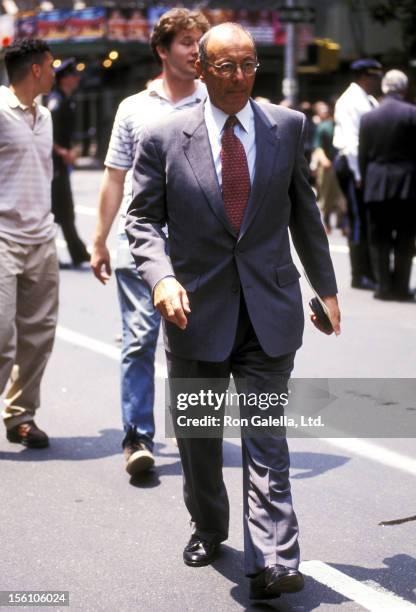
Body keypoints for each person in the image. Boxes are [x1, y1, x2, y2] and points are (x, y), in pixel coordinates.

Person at [126, 23, 340, 599]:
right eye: (227, 66)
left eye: (249, 65)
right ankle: (208, 524)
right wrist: (161, 277)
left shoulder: (287, 127)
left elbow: (305, 212)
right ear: (200, 68)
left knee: (266, 434)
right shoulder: (164, 135)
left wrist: (326, 286)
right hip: (194, 310)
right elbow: (141, 220)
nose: (241, 77)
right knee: (199, 436)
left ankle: (274, 557)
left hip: (269, 306)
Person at [90, 8, 210, 476]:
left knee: (197, 346)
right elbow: (113, 178)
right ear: (162, 49)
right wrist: (99, 240)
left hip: (199, 249)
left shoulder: (215, 103)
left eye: (199, 40)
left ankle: (194, 432)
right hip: (139, 243)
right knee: (140, 339)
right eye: (185, 41)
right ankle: (138, 436)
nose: (194, 49)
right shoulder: (133, 108)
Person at [0, 39, 58, 448]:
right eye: (51, 66)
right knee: (1, 335)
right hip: (2, 236)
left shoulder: (46, 116)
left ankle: (21, 414)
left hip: (41, 238)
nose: (55, 72)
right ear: (36, 69)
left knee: (38, 335)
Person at [359, 69, 416, 301]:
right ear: (403, 88)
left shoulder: (369, 117)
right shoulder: (412, 113)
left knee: (379, 237)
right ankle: (401, 287)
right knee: (405, 237)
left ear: (384, 87)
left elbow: (363, 156)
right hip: (407, 183)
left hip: (377, 182)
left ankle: (383, 287)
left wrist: (366, 180)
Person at [333, 58, 382, 289]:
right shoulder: (350, 100)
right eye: (374, 77)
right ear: (364, 76)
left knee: (365, 218)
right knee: (358, 220)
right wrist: (358, 174)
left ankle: (369, 272)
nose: (377, 82)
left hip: (363, 166)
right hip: (352, 164)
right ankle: (359, 274)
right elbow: (351, 142)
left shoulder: (367, 99)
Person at [47, 58, 90, 269]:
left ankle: (77, 253)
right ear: (65, 79)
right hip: (54, 164)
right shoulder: (57, 101)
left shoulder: (68, 99)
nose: (77, 79)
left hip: (62, 163)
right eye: (73, 75)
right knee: (58, 210)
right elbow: (49, 134)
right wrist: (63, 152)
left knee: (63, 210)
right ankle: (72, 254)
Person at [311, 101, 346, 233]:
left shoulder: (344, 127)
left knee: (342, 196)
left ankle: (343, 223)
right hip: (327, 166)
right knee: (327, 197)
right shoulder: (324, 127)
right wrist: (324, 160)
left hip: (341, 165)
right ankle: (326, 222)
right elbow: (318, 146)